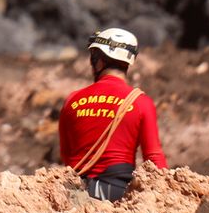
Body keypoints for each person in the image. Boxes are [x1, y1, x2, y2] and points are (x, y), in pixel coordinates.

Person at [58, 27, 167, 201]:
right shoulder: (141, 102)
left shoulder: (72, 100)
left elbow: (66, 154)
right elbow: (153, 158)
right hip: (117, 194)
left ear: (99, 62)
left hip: (73, 194)